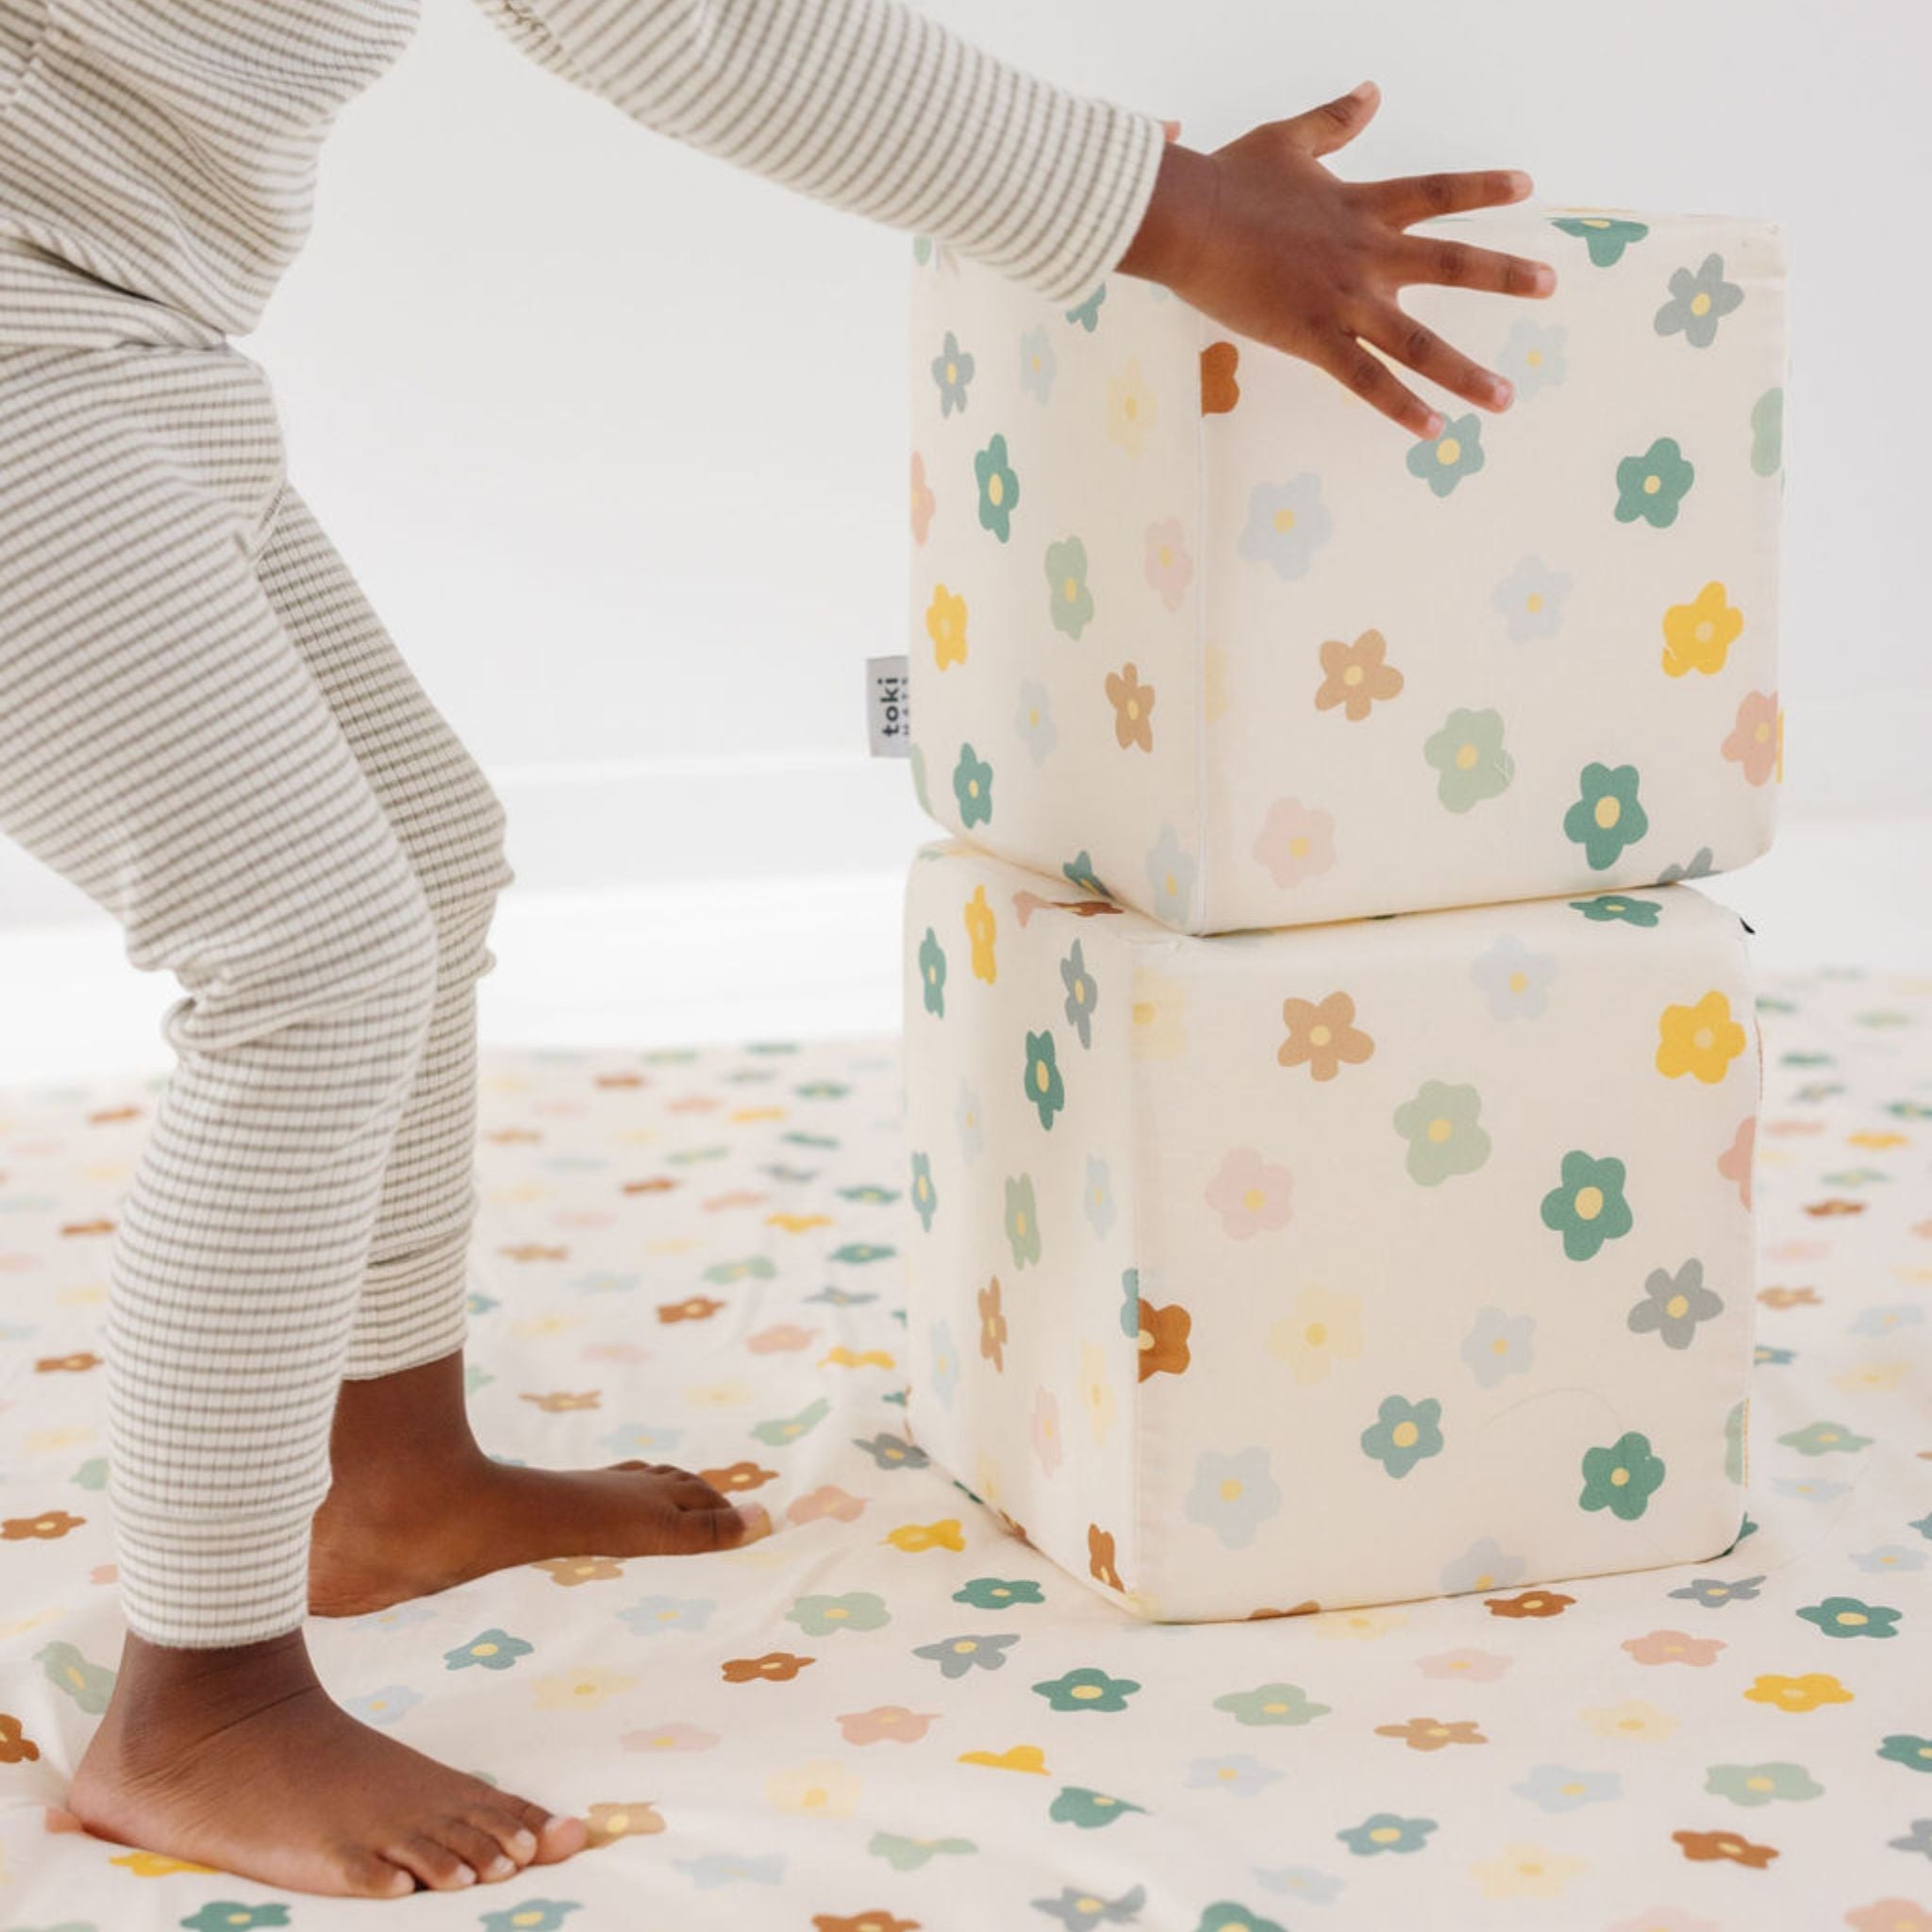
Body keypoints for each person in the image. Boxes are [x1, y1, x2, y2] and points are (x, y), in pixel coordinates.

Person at [0, 0, 1554, 1899]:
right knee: (305, 959)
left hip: (116, 333)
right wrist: (1163, 211)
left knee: (423, 856)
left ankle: (390, 1481)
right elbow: (681, 22)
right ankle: (201, 1696)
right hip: (29, 336)